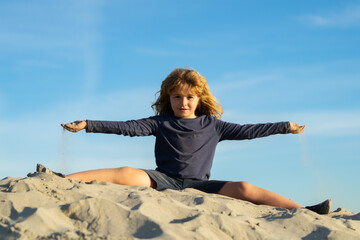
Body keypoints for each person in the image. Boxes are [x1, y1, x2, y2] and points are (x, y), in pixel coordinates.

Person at [60, 68, 331, 214]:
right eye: (177, 97)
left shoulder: (213, 126)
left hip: (201, 185)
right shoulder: (161, 122)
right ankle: (63, 180)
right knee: (125, 172)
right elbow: (127, 127)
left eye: (189, 97)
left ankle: (305, 210)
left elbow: (249, 130)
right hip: (163, 179)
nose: (183, 102)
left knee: (245, 187)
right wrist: (88, 124)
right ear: (169, 99)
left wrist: (285, 127)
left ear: (199, 99)